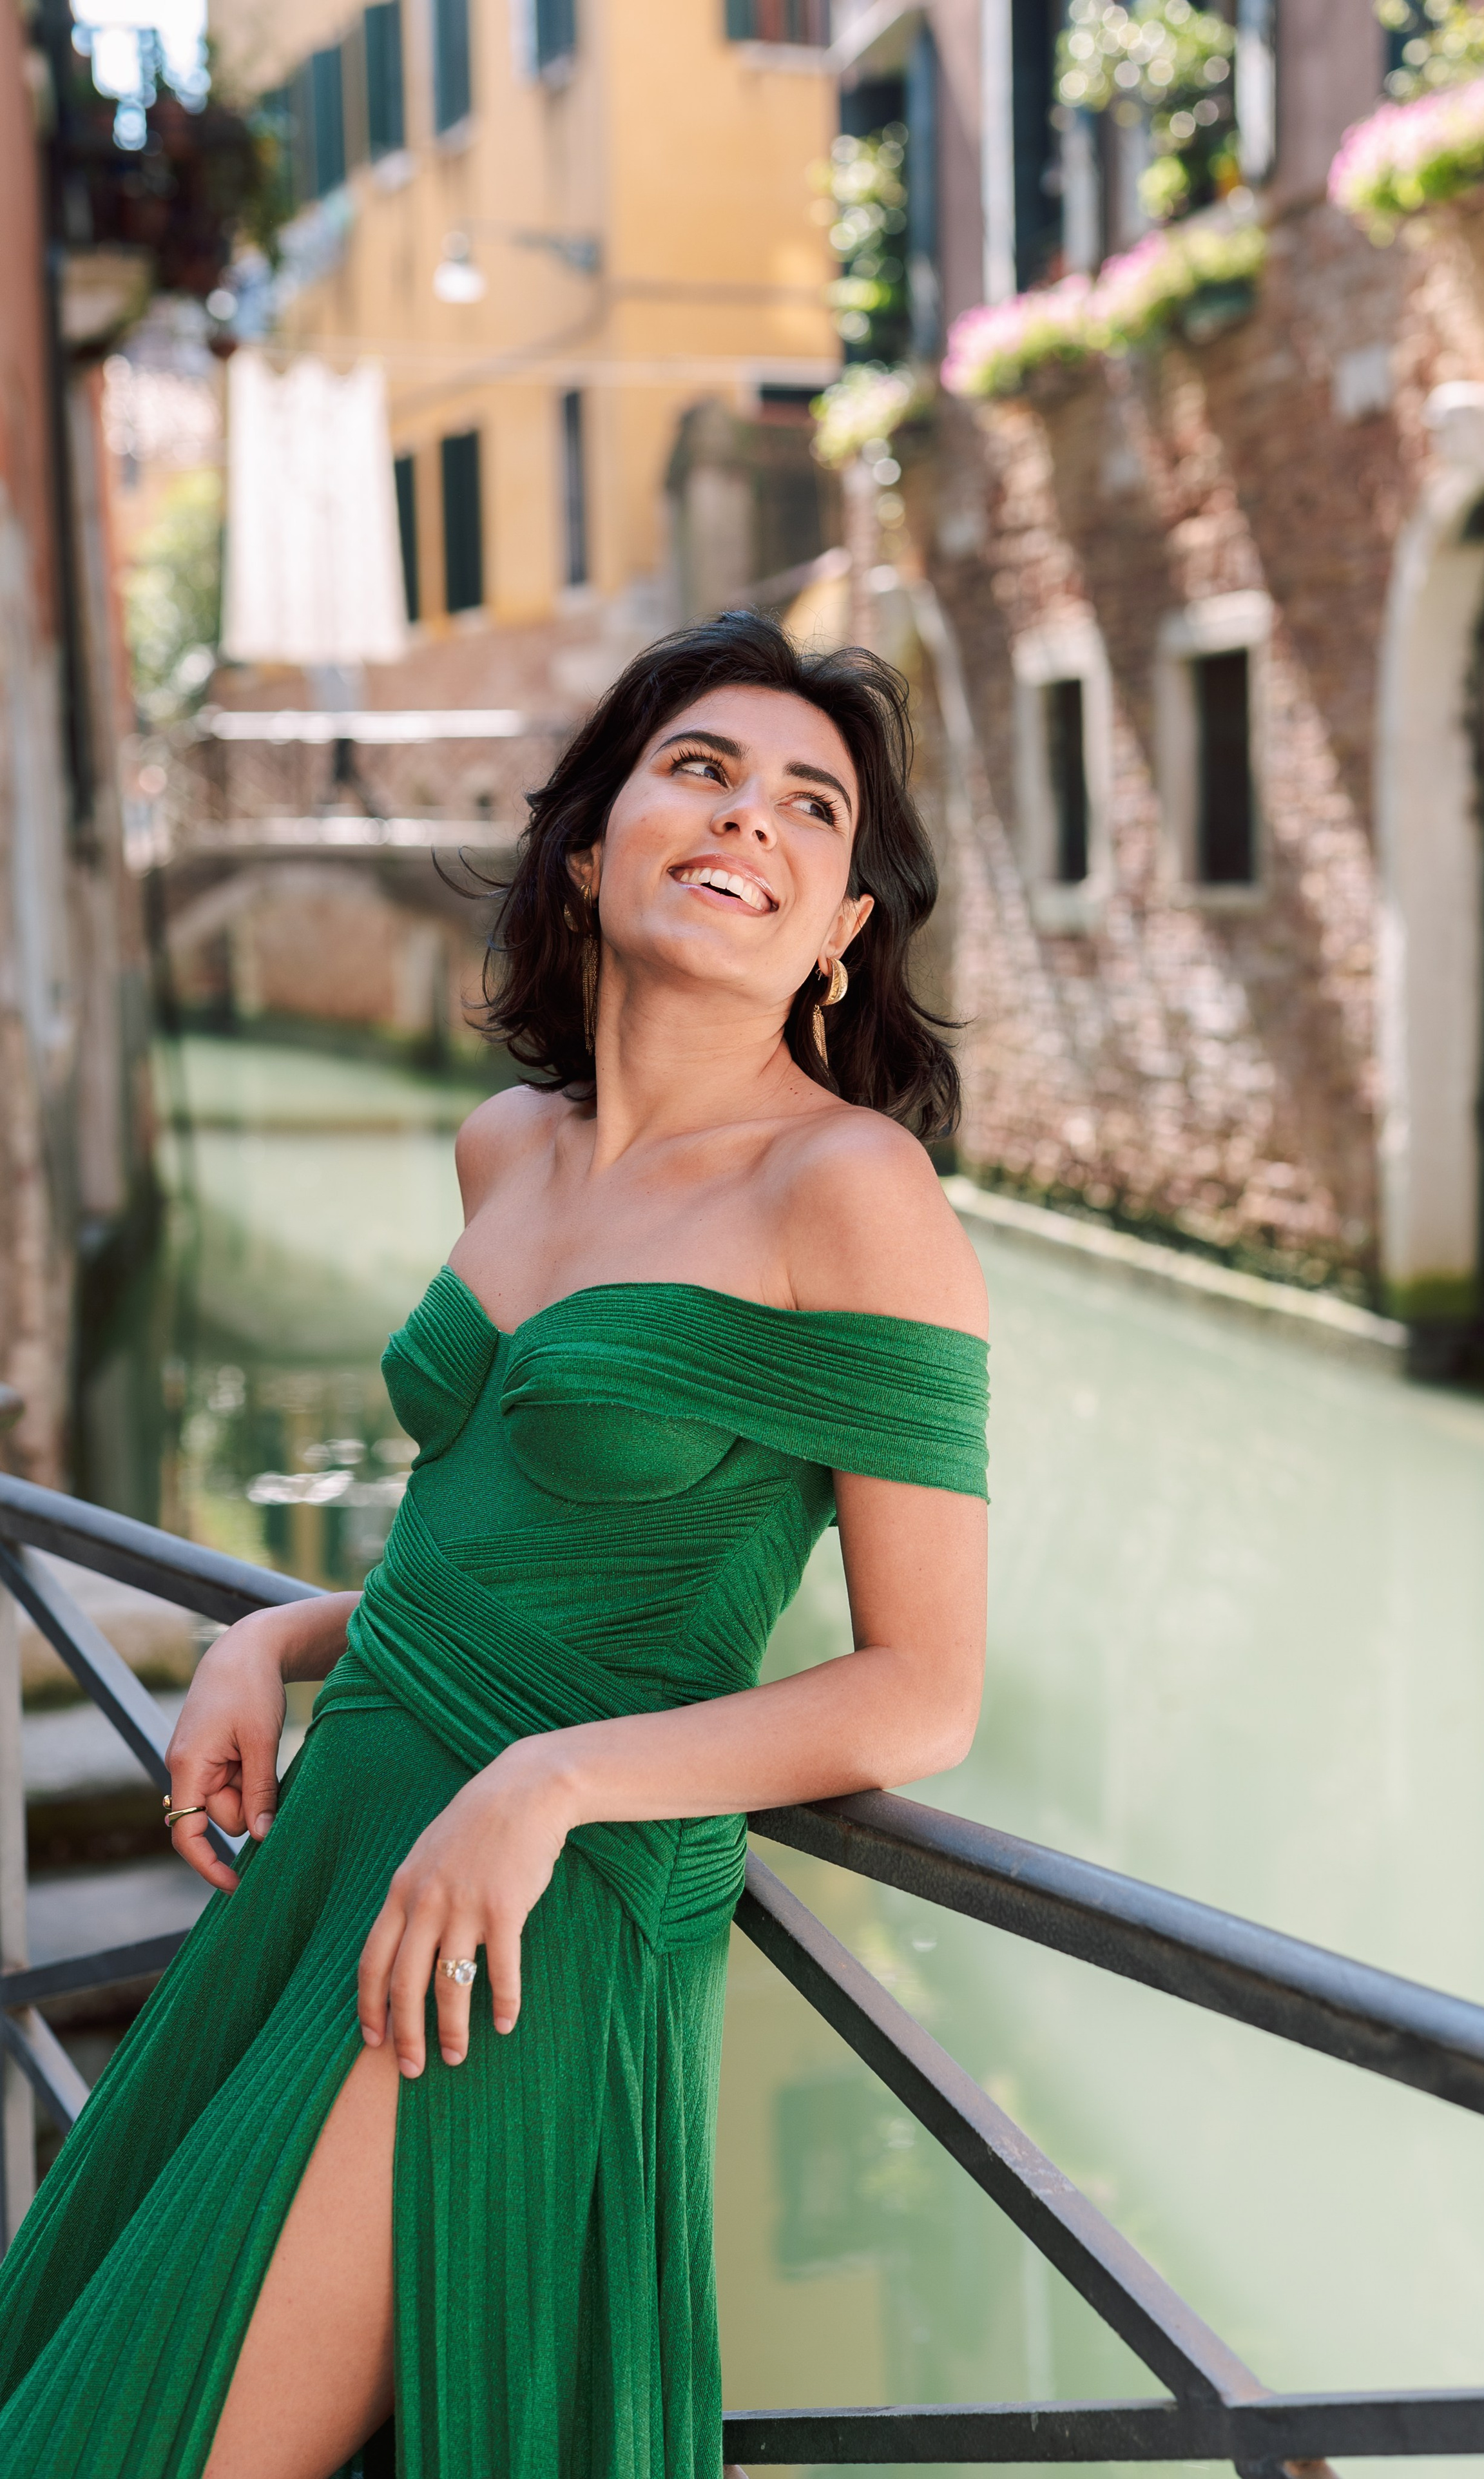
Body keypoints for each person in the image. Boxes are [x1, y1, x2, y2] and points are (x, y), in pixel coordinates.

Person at [0, 611, 989, 2479]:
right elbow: (523, 1536)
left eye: (813, 807)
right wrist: (281, 1635)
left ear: (845, 928)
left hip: (530, 1915)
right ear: (591, 845)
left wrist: (551, 1783)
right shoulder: (506, 1147)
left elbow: (922, 1692)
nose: (752, 818)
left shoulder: (852, 1191)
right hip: (346, 1841)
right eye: (702, 769)